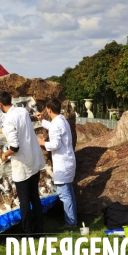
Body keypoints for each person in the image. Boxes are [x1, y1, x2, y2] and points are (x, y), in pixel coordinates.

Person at [0, 91, 46, 236]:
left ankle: (27, 233)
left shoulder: (9, 119)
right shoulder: (22, 111)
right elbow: (14, 128)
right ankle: (39, 229)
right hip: (34, 161)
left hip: (23, 165)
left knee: (25, 202)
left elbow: (15, 147)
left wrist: (5, 155)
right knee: (35, 197)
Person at [35, 98, 78, 230]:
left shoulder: (56, 124)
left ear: (49, 109)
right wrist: (42, 121)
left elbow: (55, 144)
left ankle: (70, 222)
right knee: (69, 192)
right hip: (68, 161)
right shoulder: (62, 120)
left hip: (63, 164)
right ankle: (73, 220)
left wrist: (40, 142)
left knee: (65, 195)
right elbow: (54, 127)